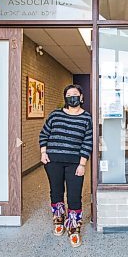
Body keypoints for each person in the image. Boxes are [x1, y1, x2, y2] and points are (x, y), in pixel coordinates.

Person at [39, 84, 93, 248]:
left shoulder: (86, 118)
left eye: (75, 94)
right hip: (53, 160)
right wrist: (43, 153)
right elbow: (44, 134)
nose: (72, 97)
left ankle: (74, 228)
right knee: (56, 191)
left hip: (75, 163)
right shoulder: (55, 115)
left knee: (74, 195)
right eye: (69, 94)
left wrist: (82, 163)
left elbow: (87, 141)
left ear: (81, 97)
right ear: (65, 98)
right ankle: (58, 219)